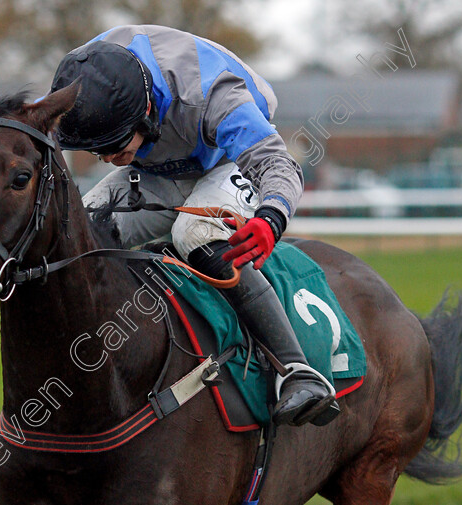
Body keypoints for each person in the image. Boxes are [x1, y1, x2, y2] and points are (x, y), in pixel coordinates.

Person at [50, 25, 339, 427]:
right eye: (97, 149)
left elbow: (279, 164)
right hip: (161, 167)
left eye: (116, 146)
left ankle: (297, 371)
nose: (108, 159)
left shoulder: (209, 93)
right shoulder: (82, 78)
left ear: (147, 110)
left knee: (194, 233)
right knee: (76, 234)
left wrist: (270, 218)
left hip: (227, 158)